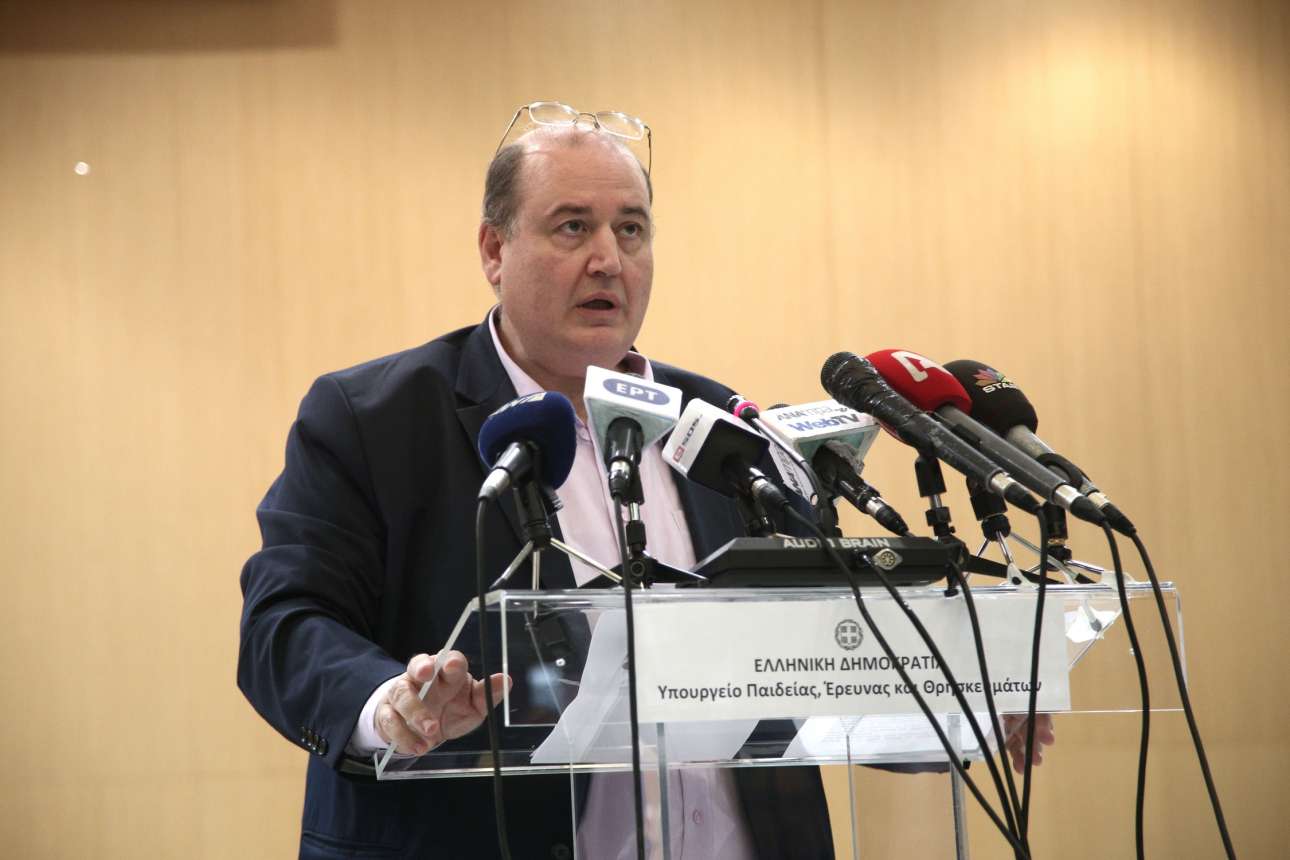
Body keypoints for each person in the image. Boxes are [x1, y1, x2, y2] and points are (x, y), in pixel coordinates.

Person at [239, 104, 837, 859]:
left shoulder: (720, 424)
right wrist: (386, 702)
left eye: (631, 229)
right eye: (572, 227)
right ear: (495, 250)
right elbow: (286, 622)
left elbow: (814, 645)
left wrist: (944, 692)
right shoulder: (374, 420)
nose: (608, 259)